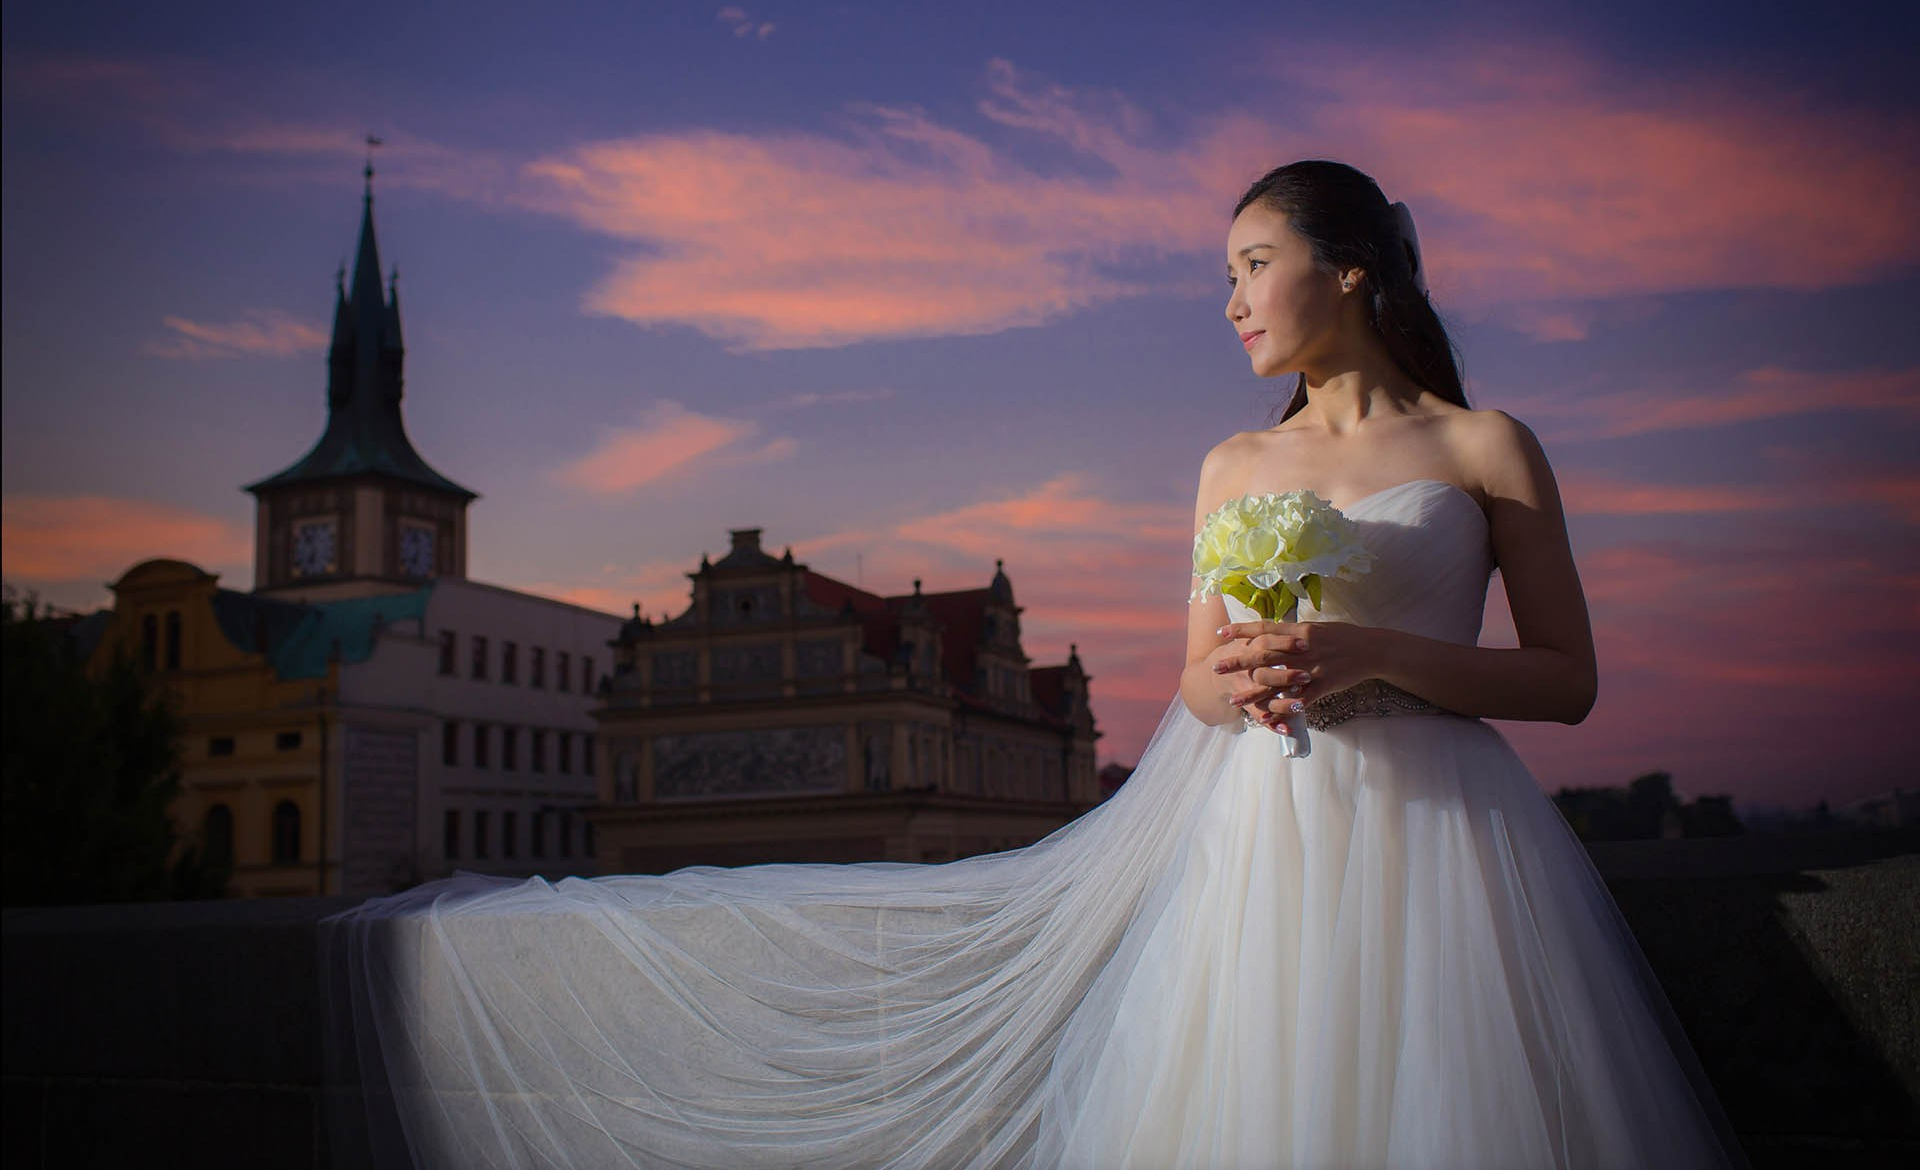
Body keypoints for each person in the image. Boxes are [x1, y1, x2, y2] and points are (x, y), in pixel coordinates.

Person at [323, 160, 1752, 1170]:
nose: (1233, 298)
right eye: (1227, 274)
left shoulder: (1485, 444)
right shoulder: (1236, 460)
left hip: (1450, 840)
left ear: (1351, 266)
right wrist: (1246, 677)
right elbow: (1193, 682)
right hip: (1269, 843)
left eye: (1254, 263)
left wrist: (1370, 650)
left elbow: (1565, 677)